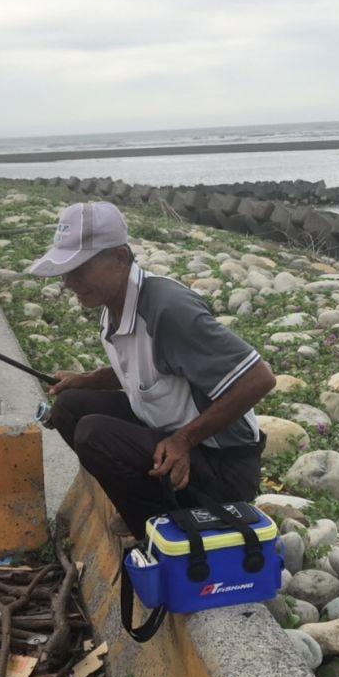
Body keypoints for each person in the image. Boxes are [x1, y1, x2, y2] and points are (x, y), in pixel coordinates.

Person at [29, 201, 276, 540]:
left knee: (93, 434)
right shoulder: (114, 304)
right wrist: (88, 380)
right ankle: (151, 504)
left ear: (120, 257)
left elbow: (259, 378)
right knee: (69, 406)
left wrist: (184, 440)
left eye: (80, 268)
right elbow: (149, 367)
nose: (70, 281)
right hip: (170, 435)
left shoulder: (167, 310)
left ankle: (157, 532)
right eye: (66, 270)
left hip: (223, 468)